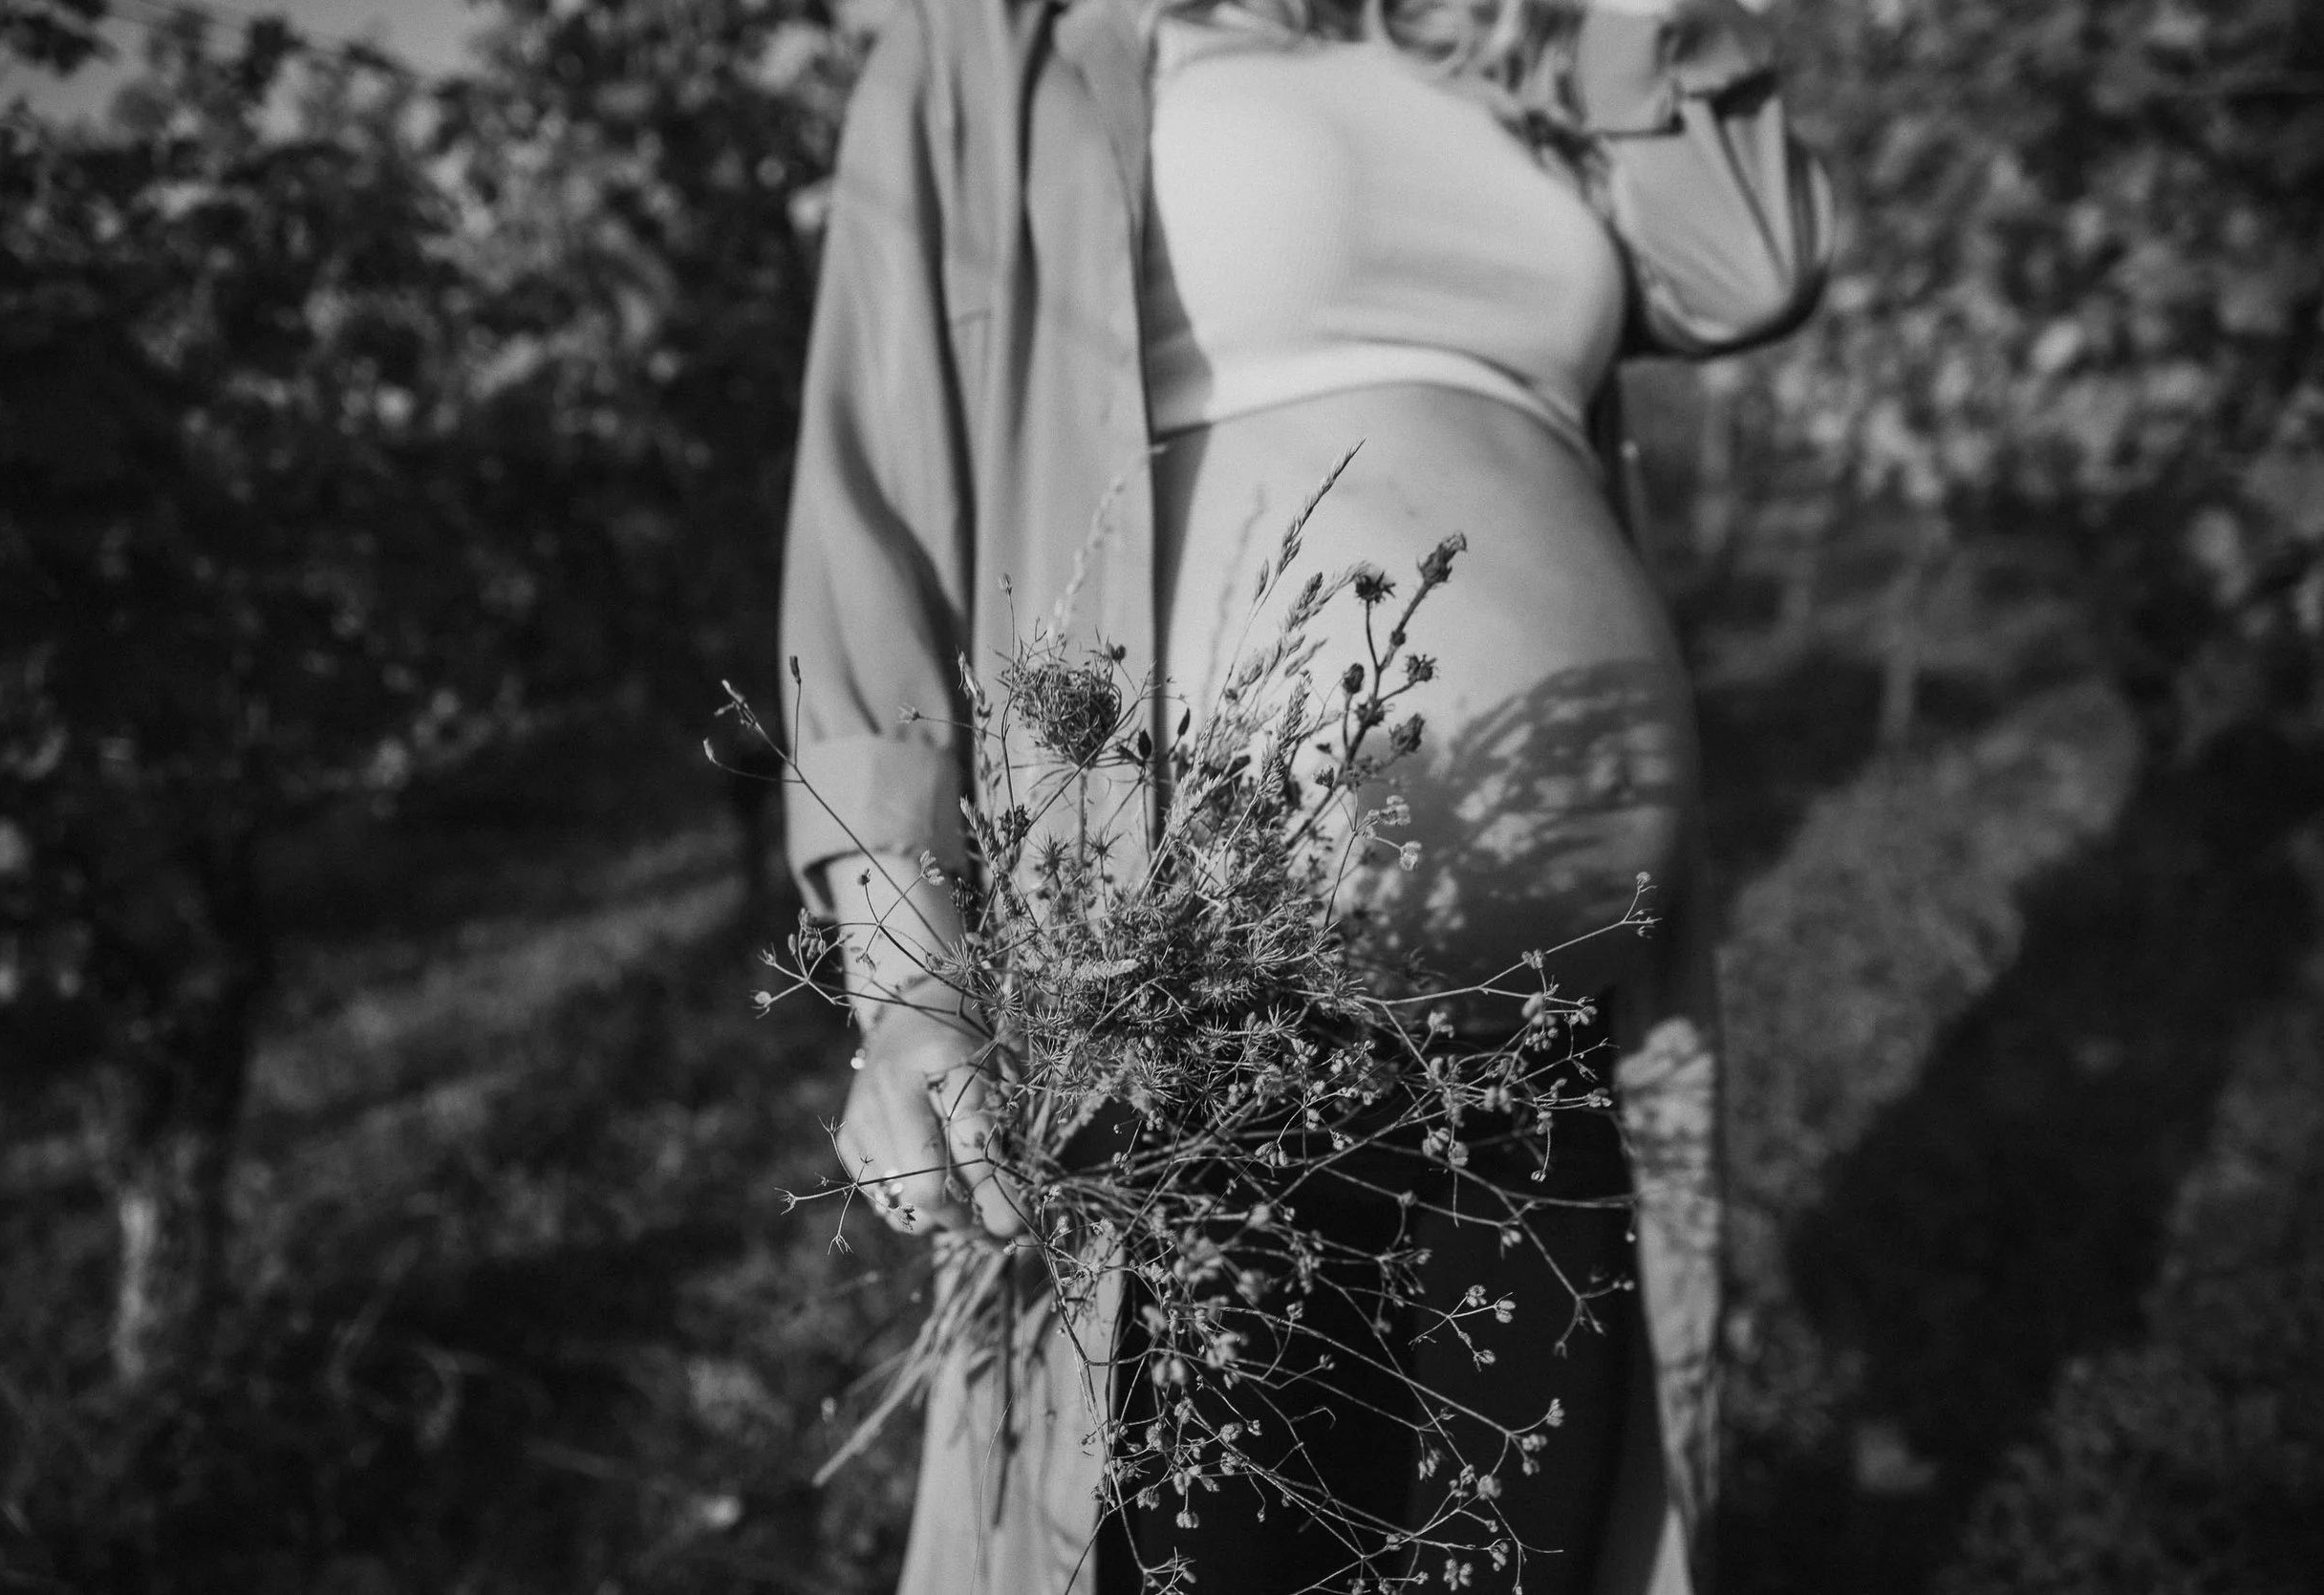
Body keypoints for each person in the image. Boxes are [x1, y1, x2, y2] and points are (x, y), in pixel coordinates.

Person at [776, 1, 1832, 1590]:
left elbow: (1748, 268)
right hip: (1189, 1023)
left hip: (1545, 1034)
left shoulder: (1489, 73)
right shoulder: (1001, 51)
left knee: (1515, 1561)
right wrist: (909, 979)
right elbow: (880, 519)